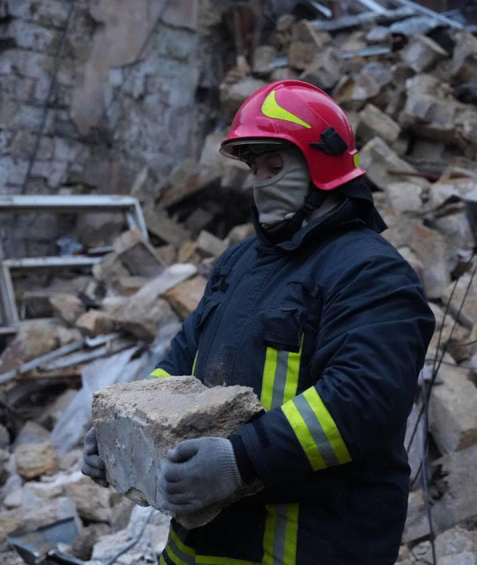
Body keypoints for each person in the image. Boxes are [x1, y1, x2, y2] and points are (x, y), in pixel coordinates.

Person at [82, 80, 435, 565]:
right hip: (202, 544)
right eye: (254, 168)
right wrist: (124, 432)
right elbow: (181, 367)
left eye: (275, 165)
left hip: (307, 543)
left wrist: (240, 461)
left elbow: (362, 399)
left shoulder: (371, 271)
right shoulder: (238, 263)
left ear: (322, 165)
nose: (260, 182)